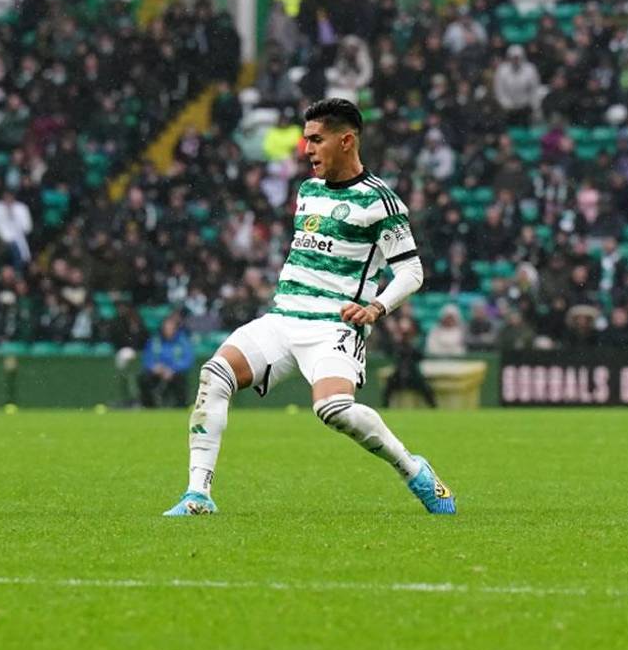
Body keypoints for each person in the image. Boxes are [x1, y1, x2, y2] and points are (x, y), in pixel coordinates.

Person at [165, 98, 456, 517]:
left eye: (317, 140)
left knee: (332, 409)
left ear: (346, 140)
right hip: (283, 319)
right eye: (306, 140)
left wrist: (375, 308)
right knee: (215, 375)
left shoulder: (381, 203)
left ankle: (414, 471)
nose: (307, 150)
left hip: (332, 327)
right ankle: (198, 496)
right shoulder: (308, 190)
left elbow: (411, 272)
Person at [139, 314, 194, 408]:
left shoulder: (182, 341)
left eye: (171, 327)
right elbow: (147, 358)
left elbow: (187, 360)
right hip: (157, 373)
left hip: (175, 373)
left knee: (180, 380)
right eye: (166, 327)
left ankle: (180, 407)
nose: (168, 330)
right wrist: (154, 367)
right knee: (143, 378)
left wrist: (173, 369)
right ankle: (149, 407)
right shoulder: (155, 340)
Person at [382, 317, 437, 408]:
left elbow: (420, 356)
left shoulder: (415, 343)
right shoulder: (397, 344)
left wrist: (410, 343)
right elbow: (388, 350)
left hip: (413, 374)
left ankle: (433, 407)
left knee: (425, 387)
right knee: (389, 386)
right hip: (399, 374)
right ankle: (385, 406)